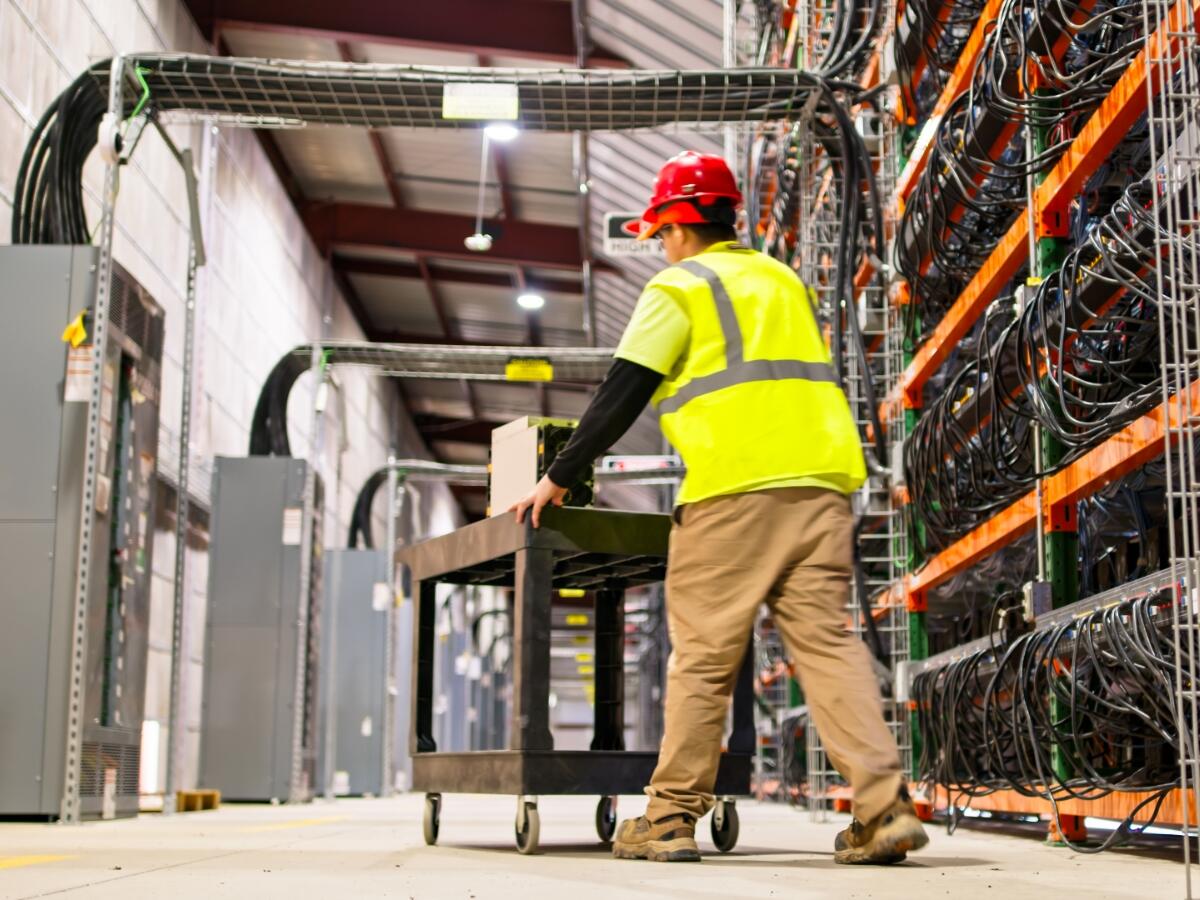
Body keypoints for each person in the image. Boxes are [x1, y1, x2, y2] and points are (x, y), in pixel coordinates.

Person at [510, 150, 927, 866]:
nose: (660, 247)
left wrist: (557, 475)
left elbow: (624, 388)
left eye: (660, 233)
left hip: (735, 490)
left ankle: (669, 819)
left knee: (703, 657)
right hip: (824, 484)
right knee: (828, 648)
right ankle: (883, 807)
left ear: (676, 223)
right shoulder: (780, 278)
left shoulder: (681, 286)